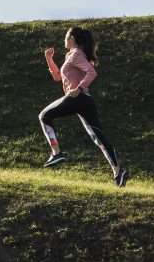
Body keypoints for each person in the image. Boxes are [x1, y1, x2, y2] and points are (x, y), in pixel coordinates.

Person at [39, 26, 129, 187]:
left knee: (44, 116)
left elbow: (92, 72)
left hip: (77, 97)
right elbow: (58, 77)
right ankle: (118, 171)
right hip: (85, 100)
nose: (64, 39)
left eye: (66, 36)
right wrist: (49, 59)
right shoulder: (71, 55)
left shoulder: (76, 54)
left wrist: (78, 88)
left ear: (72, 38)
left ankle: (56, 153)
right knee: (98, 137)